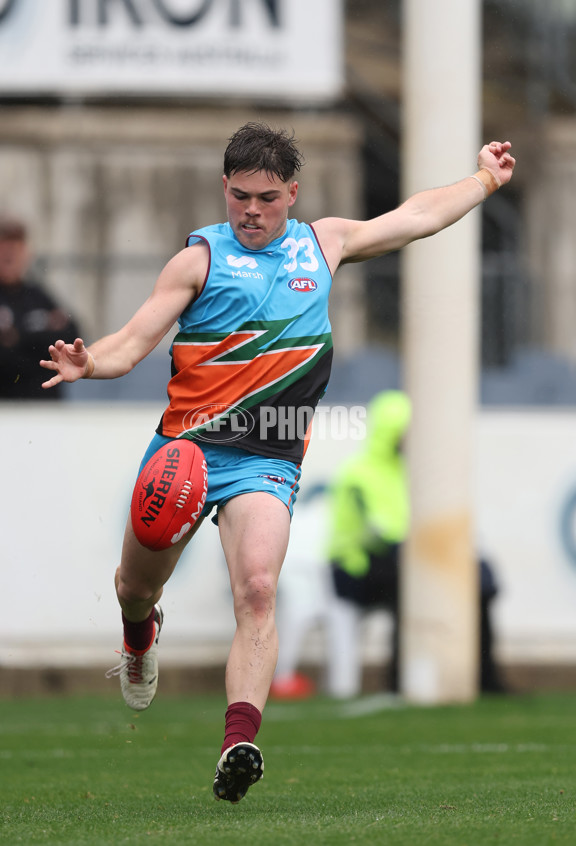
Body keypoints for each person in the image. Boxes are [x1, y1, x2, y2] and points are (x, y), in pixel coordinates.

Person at [39, 123, 515, 803]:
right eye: (239, 197)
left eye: (266, 197)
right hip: (186, 450)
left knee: (258, 589)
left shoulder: (323, 244)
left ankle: (240, 742)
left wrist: (483, 182)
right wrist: (91, 364)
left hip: (268, 456)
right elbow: (131, 342)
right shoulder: (198, 259)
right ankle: (139, 634)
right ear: (224, 189)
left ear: (292, 192)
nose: (252, 211)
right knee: (132, 585)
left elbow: (414, 219)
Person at [327, 390, 505, 698]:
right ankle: (400, 676)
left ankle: (486, 674)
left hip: (403, 557)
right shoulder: (359, 473)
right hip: (356, 567)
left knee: (478, 577)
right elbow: (377, 532)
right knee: (406, 578)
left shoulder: (415, 472)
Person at [0, 214, 80, 400]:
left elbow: (73, 336)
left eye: (15, 244)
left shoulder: (36, 294)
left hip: (45, 414)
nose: (8, 252)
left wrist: (17, 337)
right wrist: (40, 342)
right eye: (1, 244)